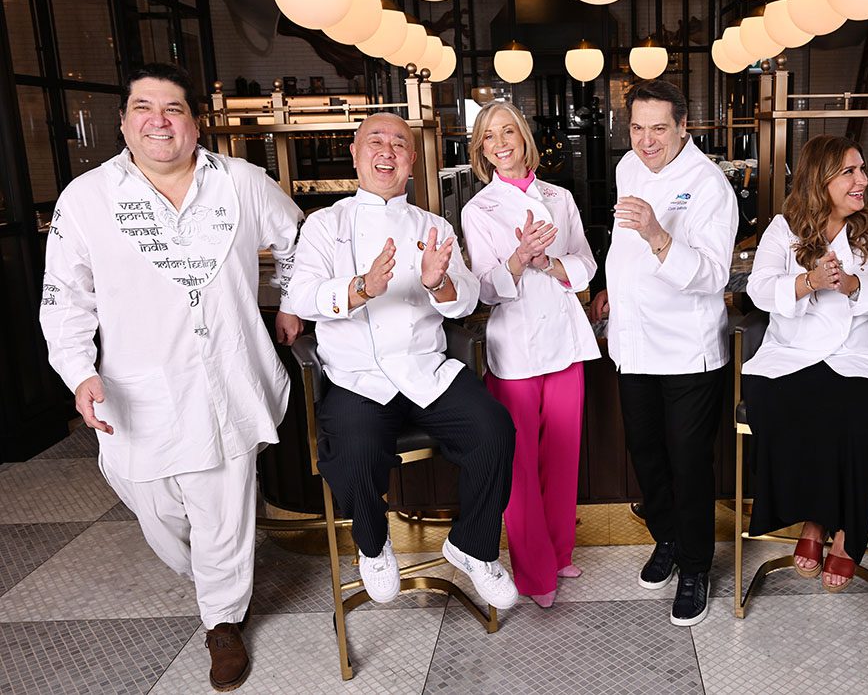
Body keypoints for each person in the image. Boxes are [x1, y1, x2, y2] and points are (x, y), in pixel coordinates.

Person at [39, 63, 304, 692]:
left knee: (223, 510)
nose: (160, 120)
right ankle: (216, 575)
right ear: (124, 121)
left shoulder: (241, 182)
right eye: (144, 108)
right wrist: (79, 373)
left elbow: (300, 240)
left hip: (229, 377)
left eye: (174, 108)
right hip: (138, 388)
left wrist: (290, 298)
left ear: (193, 121)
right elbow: (66, 299)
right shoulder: (87, 199)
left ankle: (223, 621)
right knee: (157, 509)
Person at [286, 112, 518, 613]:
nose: (386, 151)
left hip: (424, 370)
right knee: (358, 448)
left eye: (398, 144)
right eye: (375, 141)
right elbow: (302, 295)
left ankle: (473, 547)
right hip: (358, 377)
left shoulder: (433, 226)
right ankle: (372, 543)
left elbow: (467, 300)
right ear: (354, 152)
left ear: (413, 160)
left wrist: (440, 283)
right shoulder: (326, 225)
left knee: (493, 428)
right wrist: (359, 288)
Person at [588, 79, 739, 626]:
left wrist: (658, 234)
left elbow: (711, 275)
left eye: (658, 129)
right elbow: (620, 245)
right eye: (637, 128)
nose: (646, 140)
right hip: (632, 345)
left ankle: (697, 565)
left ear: (683, 127)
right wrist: (611, 286)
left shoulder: (708, 186)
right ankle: (669, 540)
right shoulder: (630, 167)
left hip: (686, 353)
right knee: (646, 454)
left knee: (689, 463)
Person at [742, 136, 868, 591]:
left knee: (848, 414)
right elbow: (760, 289)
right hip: (792, 353)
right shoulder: (785, 228)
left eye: (861, 170)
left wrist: (855, 285)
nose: (863, 180)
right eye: (850, 172)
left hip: (858, 357)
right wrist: (808, 281)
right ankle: (815, 522)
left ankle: (843, 534)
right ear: (819, 179)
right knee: (780, 405)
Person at [460, 101, 599, 609]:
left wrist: (552, 263)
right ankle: (535, 573)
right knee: (519, 466)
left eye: (508, 131)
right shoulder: (479, 210)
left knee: (562, 454)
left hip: (564, 342)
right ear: (481, 150)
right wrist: (519, 261)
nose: (500, 142)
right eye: (489, 136)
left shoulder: (559, 197)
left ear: (524, 137)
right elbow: (483, 290)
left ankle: (560, 552)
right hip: (515, 348)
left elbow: (585, 261)